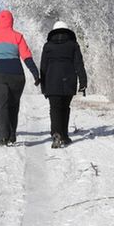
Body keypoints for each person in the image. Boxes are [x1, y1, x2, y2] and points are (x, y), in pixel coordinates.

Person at [0, 10, 40, 146]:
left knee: (1, 105)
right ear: (11, 21)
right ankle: (12, 134)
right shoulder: (18, 36)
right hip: (17, 75)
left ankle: (3, 136)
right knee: (13, 105)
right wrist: (35, 74)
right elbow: (26, 56)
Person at [37, 20, 87, 148]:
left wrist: (43, 86)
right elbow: (79, 65)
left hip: (52, 81)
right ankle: (64, 136)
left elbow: (43, 67)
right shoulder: (73, 45)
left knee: (54, 109)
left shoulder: (47, 46)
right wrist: (83, 82)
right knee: (65, 108)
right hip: (69, 81)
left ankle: (56, 134)